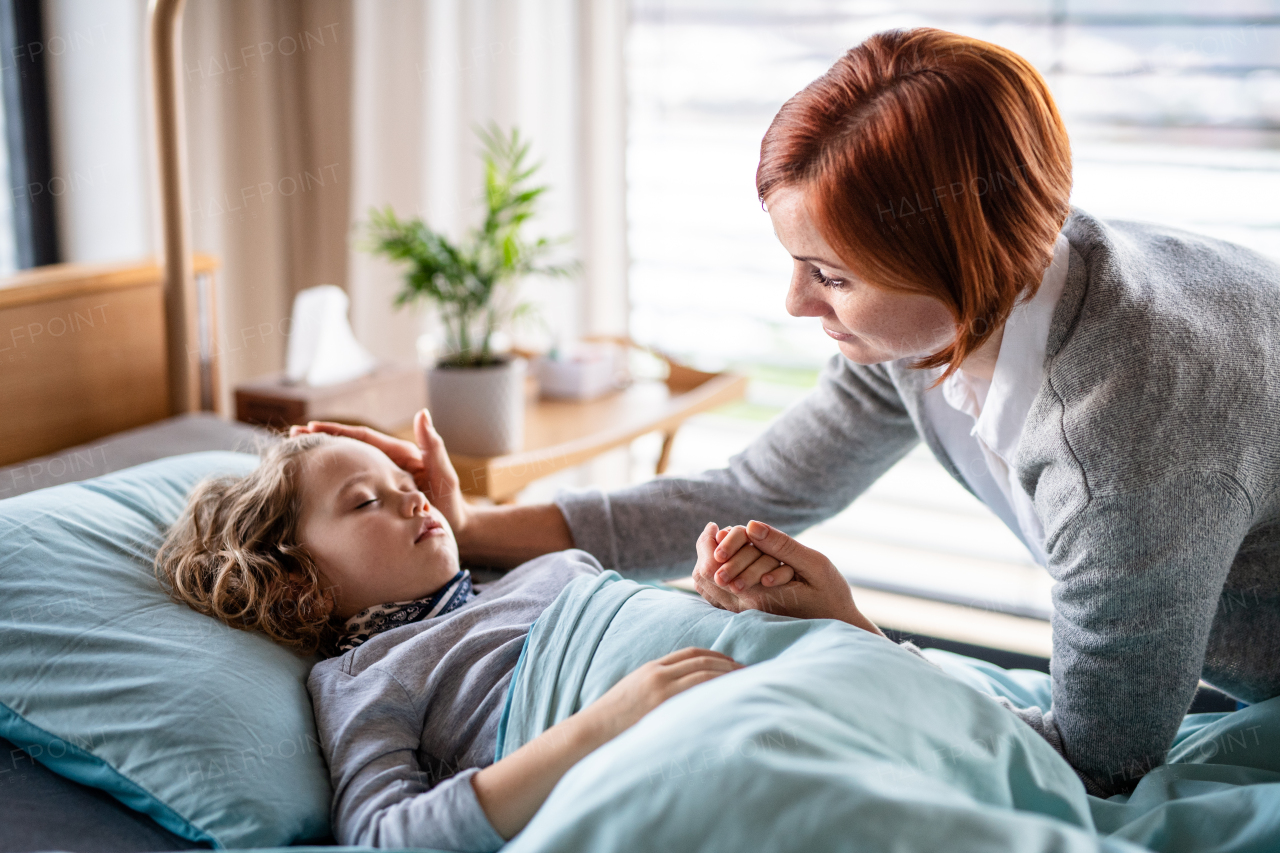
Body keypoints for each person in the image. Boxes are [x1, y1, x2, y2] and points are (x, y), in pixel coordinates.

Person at [300, 25, 1280, 799]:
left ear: (960, 258)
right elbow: (749, 488)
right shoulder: (954, 303)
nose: (795, 305)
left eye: (829, 275)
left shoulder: (1125, 435)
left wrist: (854, 632)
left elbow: (1094, 763)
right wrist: (471, 528)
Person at [153, 431, 892, 849]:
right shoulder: (366, 677)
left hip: (785, 668)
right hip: (698, 737)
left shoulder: (504, 576)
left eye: (398, 478)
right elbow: (386, 838)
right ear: (295, 579)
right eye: (365, 500)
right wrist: (603, 721)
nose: (413, 495)